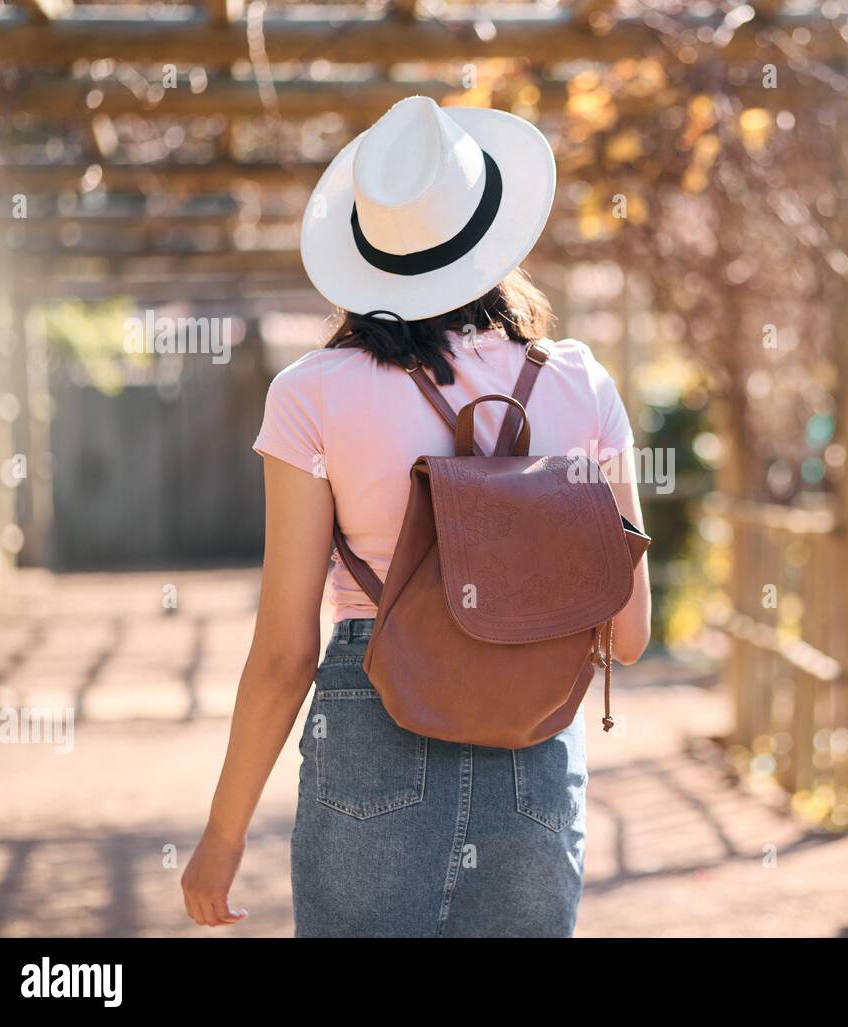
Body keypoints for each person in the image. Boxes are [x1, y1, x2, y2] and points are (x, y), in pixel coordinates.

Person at [181, 96, 651, 937]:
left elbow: (286, 653)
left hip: (372, 735)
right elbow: (627, 634)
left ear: (367, 252)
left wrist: (222, 835)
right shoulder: (584, 385)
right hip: (532, 755)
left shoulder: (311, 395)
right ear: (489, 231)